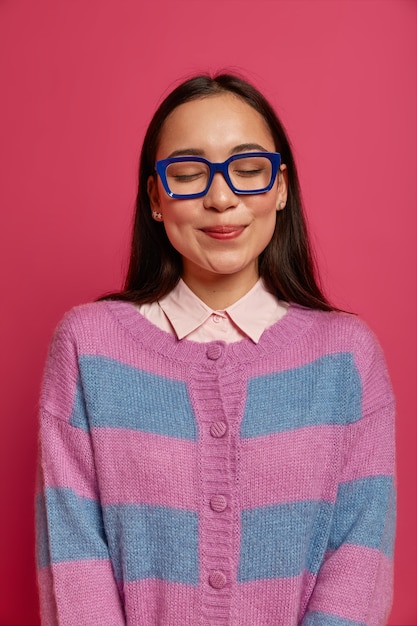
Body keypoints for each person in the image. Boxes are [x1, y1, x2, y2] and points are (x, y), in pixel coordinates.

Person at [36, 73, 396, 626]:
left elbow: (359, 558)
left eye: (248, 170)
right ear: (156, 198)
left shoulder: (347, 357)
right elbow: (74, 555)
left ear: (280, 188)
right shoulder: (89, 347)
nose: (221, 198)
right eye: (187, 174)